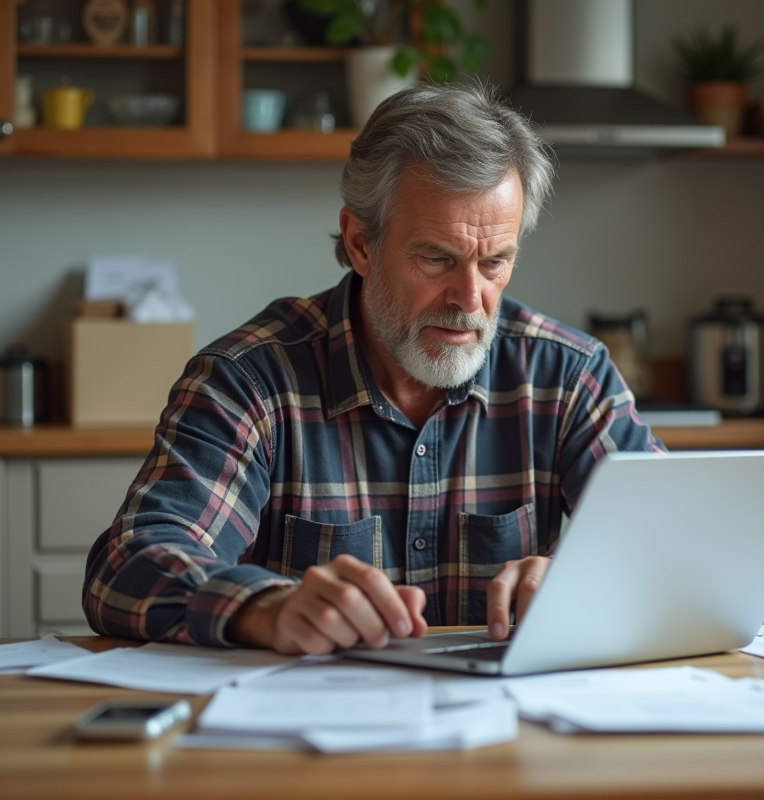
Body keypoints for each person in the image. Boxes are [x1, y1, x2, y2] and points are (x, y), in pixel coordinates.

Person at [82, 82, 662, 656]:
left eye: (495, 262)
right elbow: (126, 565)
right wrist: (264, 608)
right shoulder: (250, 381)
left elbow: (682, 547)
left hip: (513, 737)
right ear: (361, 243)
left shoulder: (568, 377)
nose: (470, 297)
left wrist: (582, 581)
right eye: (437, 258)